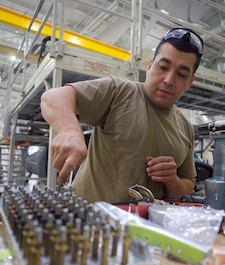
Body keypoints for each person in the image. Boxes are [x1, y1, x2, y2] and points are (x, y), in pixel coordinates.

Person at [40, 27, 203, 204]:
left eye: (181, 74)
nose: (169, 80)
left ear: (190, 82)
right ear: (149, 66)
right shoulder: (120, 92)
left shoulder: (185, 127)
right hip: (90, 220)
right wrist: (69, 131)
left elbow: (188, 184)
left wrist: (173, 181)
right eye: (163, 67)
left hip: (146, 227)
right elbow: (53, 97)